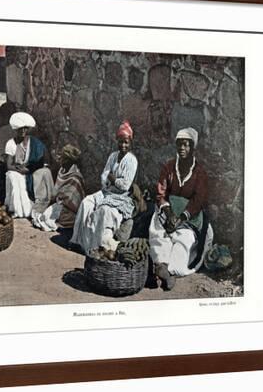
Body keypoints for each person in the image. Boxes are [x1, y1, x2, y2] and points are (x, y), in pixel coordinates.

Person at [148, 127, 214, 291]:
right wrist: (169, 214)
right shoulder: (169, 167)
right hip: (169, 211)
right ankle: (161, 265)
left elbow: (198, 201)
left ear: (192, 148)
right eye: (179, 145)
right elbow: (160, 194)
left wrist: (180, 219)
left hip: (189, 217)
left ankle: (167, 271)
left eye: (186, 145)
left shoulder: (200, 173)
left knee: (184, 241)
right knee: (159, 234)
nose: (182, 149)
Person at [70, 121, 138, 253]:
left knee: (104, 211)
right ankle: (78, 241)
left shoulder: (131, 160)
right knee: (86, 203)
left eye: (126, 142)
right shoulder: (113, 156)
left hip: (121, 197)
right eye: (121, 141)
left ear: (130, 143)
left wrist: (113, 179)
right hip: (106, 191)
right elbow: (104, 175)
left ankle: (96, 246)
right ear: (117, 141)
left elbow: (125, 185)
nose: (123, 145)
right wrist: (109, 180)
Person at [4, 112, 54, 218]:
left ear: (28, 129)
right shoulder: (11, 143)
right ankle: (19, 210)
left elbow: (43, 161)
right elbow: (9, 165)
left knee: (44, 173)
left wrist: (30, 168)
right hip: (17, 170)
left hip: (31, 169)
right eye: (20, 129)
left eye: (25, 128)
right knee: (14, 177)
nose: (23, 131)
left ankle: (39, 204)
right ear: (16, 129)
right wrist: (19, 170)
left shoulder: (35, 143)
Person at [32, 144, 85, 232]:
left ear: (69, 161)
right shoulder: (62, 171)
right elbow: (57, 190)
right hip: (59, 203)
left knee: (48, 217)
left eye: (63, 158)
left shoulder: (75, 177)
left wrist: (59, 197)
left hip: (70, 208)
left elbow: (72, 198)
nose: (60, 160)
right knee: (45, 215)